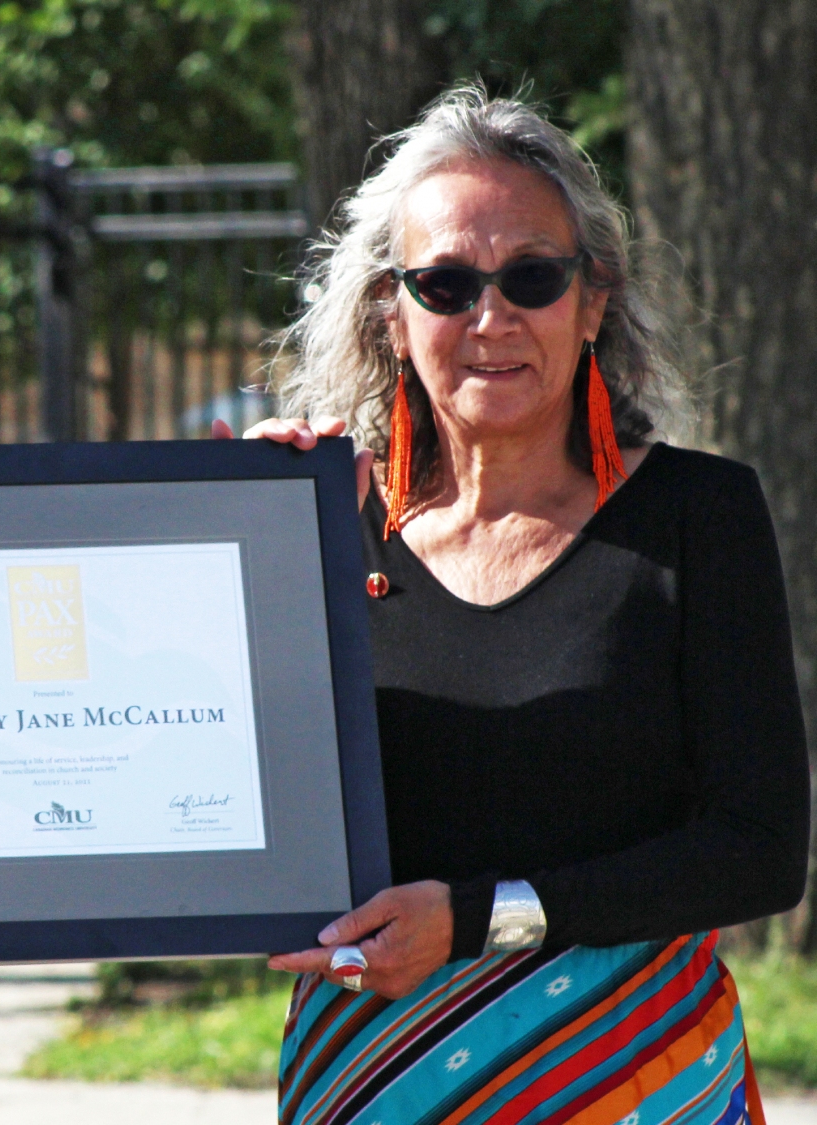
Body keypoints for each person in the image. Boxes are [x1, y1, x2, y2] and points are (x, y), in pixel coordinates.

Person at [230, 87, 810, 1124]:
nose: (490, 318)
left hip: (636, 1077)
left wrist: (480, 920)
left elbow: (760, 848)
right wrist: (242, 549)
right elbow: (216, 788)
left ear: (593, 302)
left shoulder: (698, 515)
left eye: (531, 278)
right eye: (445, 283)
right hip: (374, 1076)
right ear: (391, 315)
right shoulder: (322, 529)